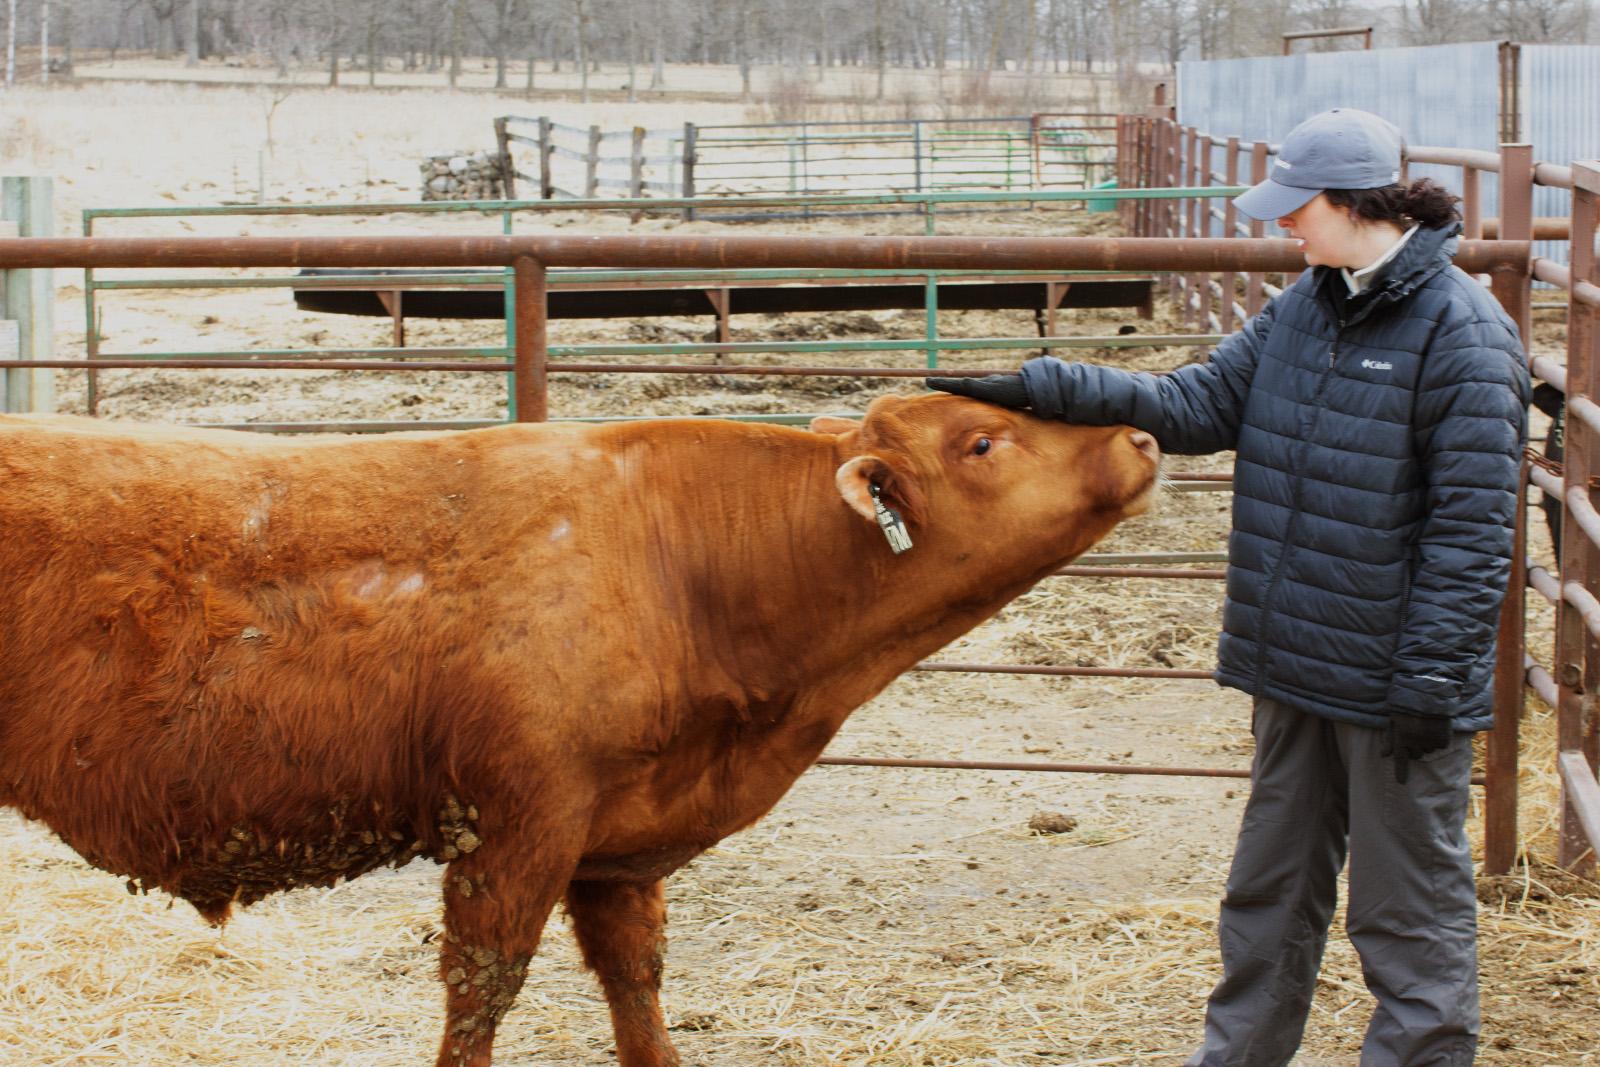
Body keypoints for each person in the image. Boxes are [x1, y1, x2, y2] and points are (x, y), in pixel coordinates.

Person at [928, 108, 1529, 1066]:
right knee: (1268, 894)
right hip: (1294, 661)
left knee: (1405, 911)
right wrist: (1043, 387)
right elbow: (1196, 403)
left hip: (1395, 685)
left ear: (1350, 202)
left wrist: (1430, 682)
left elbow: (1472, 527)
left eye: (1297, 208)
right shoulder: (1309, 304)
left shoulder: (1463, 336)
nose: (1283, 225)